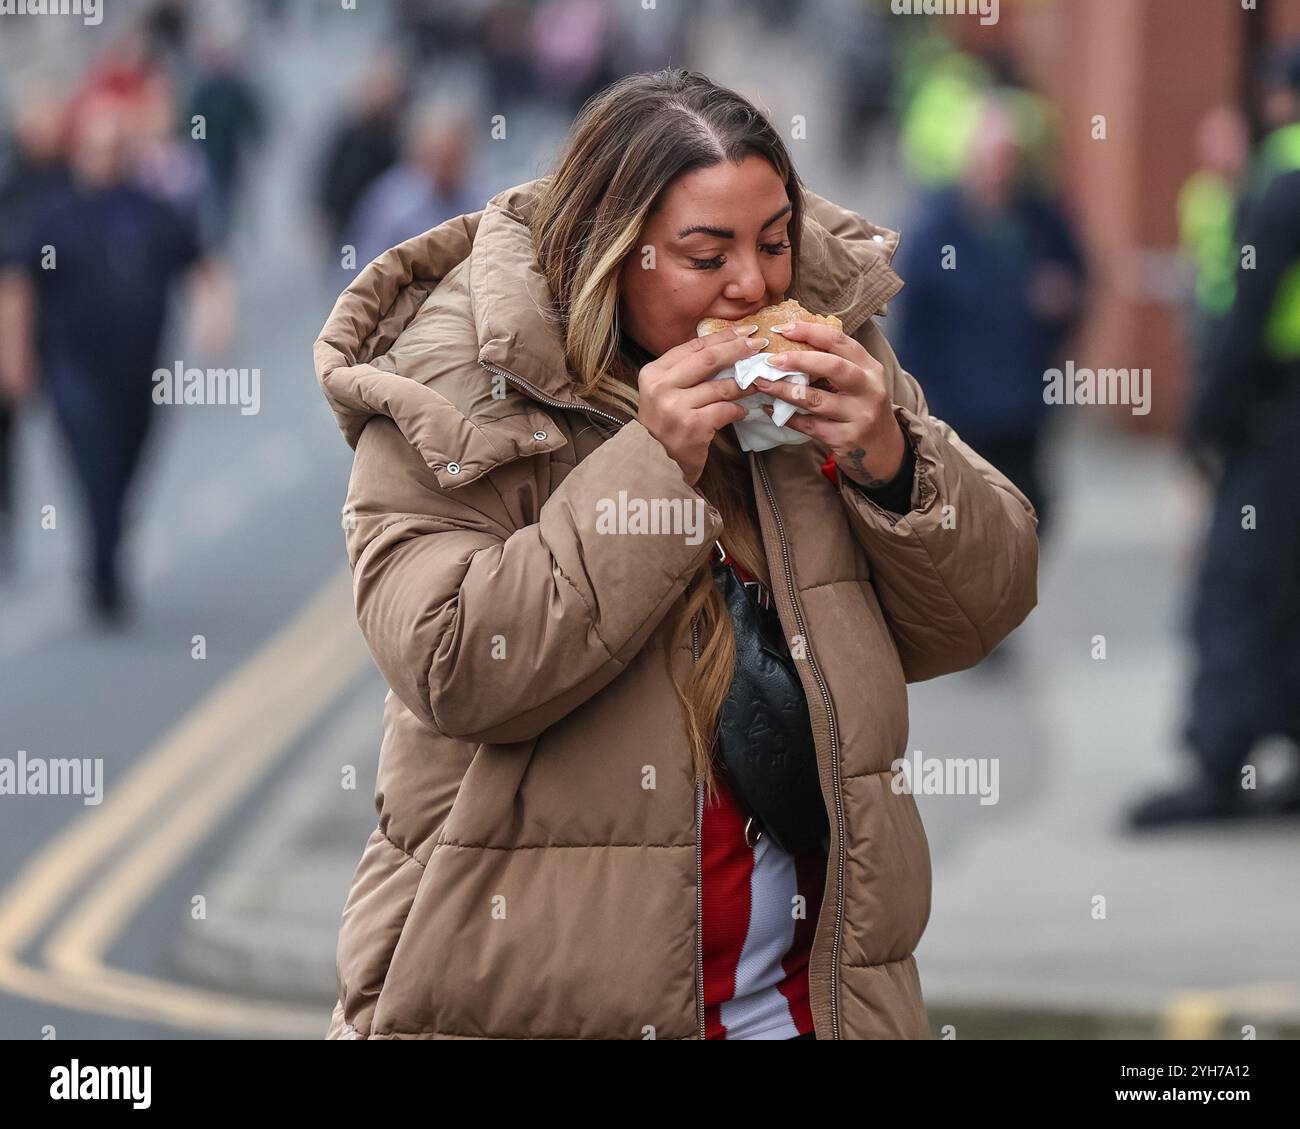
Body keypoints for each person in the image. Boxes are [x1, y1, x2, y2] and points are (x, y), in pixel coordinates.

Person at [314, 68, 1038, 1041]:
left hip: (806, 1002)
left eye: (774, 241)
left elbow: (980, 609)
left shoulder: (825, 337)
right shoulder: (454, 382)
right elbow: (455, 665)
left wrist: (895, 457)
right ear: (613, 253)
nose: (756, 284)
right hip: (525, 999)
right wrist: (653, 467)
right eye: (708, 255)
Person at [1127, 47, 1300, 828]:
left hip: (1274, 415)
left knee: (1236, 585)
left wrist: (1208, 423)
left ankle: (1218, 764)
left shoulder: (1285, 175)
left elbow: (1248, 310)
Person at [0, 92, 211, 621]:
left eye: (115, 146)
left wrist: (215, 316)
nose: (106, 157)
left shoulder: (153, 210)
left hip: (140, 373)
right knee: (93, 463)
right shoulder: (52, 213)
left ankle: (108, 551)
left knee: (125, 467)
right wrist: (15, 356)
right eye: (96, 146)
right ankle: (102, 570)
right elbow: (17, 283)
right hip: (73, 368)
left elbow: (201, 261)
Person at [894, 92, 1087, 544]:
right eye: (991, 156)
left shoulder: (1040, 218)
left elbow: (1078, 278)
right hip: (959, 410)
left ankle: (1007, 603)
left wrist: (1061, 302)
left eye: (1008, 156)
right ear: (970, 159)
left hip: (1023, 405)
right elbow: (913, 321)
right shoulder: (937, 229)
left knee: (1030, 510)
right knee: (967, 521)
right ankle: (984, 608)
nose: (1000, 167)